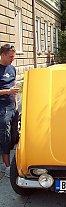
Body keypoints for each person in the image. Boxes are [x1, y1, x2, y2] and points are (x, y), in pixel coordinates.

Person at [0, 44, 19, 177]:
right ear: (3, 55)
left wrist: (16, 102)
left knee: (14, 134)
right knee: (5, 136)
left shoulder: (12, 68)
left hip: (13, 107)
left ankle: (15, 160)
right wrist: (8, 91)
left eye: (14, 56)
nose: (13, 59)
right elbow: (10, 89)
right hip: (2, 107)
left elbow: (14, 86)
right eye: (11, 57)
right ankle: (6, 166)